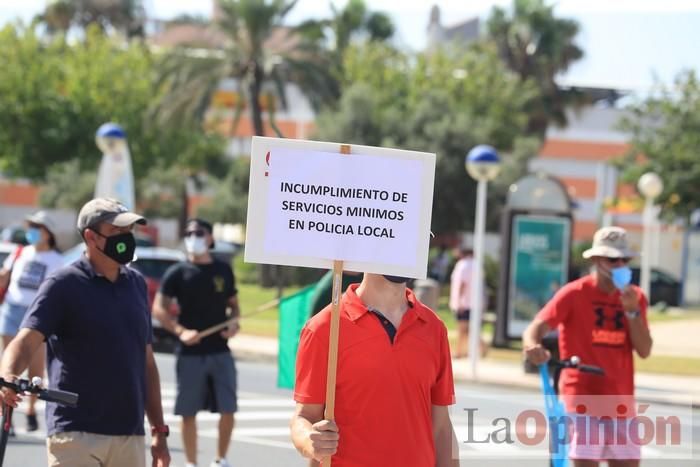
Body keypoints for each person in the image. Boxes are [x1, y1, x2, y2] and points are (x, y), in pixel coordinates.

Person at [0, 198, 170, 467]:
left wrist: (159, 430)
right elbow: (25, 340)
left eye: (129, 231)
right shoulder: (62, 284)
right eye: (118, 232)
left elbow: (146, 362)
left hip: (129, 433)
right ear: (91, 236)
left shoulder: (136, 284)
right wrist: (8, 374)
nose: (127, 238)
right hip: (75, 433)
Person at [290, 273, 459, 467]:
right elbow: (304, 417)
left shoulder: (434, 328)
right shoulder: (324, 327)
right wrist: (309, 441)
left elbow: (442, 427)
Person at [523, 226, 653, 467]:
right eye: (612, 259)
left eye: (624, 259)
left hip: (621, 402)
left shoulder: (636, 298)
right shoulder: (574, 293)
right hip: (581, 398)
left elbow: (644, 350)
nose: (620, 264)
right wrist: (533, 347)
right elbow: (536, 328)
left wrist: (633, 311)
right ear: (596, 260)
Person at [153, 218, 240, 467]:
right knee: (188, 411)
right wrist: (180, 331)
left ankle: (221, 460)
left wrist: (233, 324)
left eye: (199, 233)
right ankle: (191, 463)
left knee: (228, 408)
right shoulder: (177, 272)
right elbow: (159, 309)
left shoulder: (223, 270)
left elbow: (234, 307)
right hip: (190, 352)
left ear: (210, 238)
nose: (193, 237)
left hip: (220, 350)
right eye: (189, 233)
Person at [0, 211, 63, 432]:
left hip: (38, 315)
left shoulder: (58, 261)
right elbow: (4, 277)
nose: (33, 231)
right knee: (9, 364)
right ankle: (7, 416)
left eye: (38, 227)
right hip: (12, 309)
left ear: (49, 233)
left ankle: (30, 409)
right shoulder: (20, 252)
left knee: (36, 368)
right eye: (31, 227)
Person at [448, 247, 485, 358]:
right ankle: (481, 349)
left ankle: (459, 351)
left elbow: (462, 283)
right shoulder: (477, 265)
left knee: (462, 329)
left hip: (464, 303)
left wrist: (459, 301)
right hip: (474, 302)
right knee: (471, 329)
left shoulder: (463, 265)